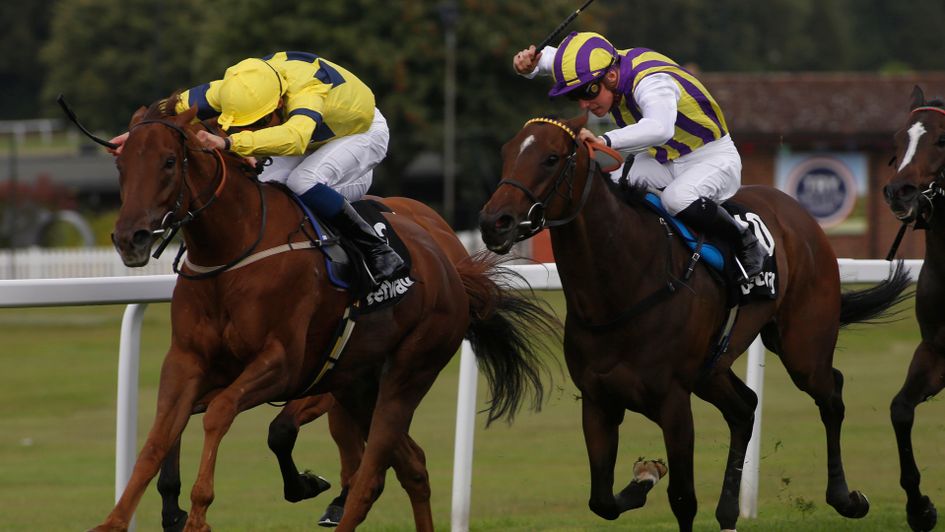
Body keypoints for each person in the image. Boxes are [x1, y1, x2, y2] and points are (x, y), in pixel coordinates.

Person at [109, 51, 404, 283]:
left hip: (360, 131)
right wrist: (137, 138)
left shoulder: (307, 92)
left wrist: (230, 144)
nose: (247, 130)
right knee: (263, 186)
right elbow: (169, 109)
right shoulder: (233, 88)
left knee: (302, 181)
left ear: (277, 104)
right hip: (317, 134)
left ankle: (376, 250)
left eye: (256, 125)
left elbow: (296, 138)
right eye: (242, 126)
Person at [512, 32, 766, 280]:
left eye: (588, 93)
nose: (583, 104)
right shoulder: (603, 64)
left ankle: (745, 239)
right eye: (574, 95)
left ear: (611, 76)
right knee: (606, 188)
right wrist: (529, 66)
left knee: (676, 199)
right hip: (665, 160)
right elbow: (553, 59)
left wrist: (605, 140)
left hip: (711, 157)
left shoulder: (653, 82)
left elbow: (660, 128)